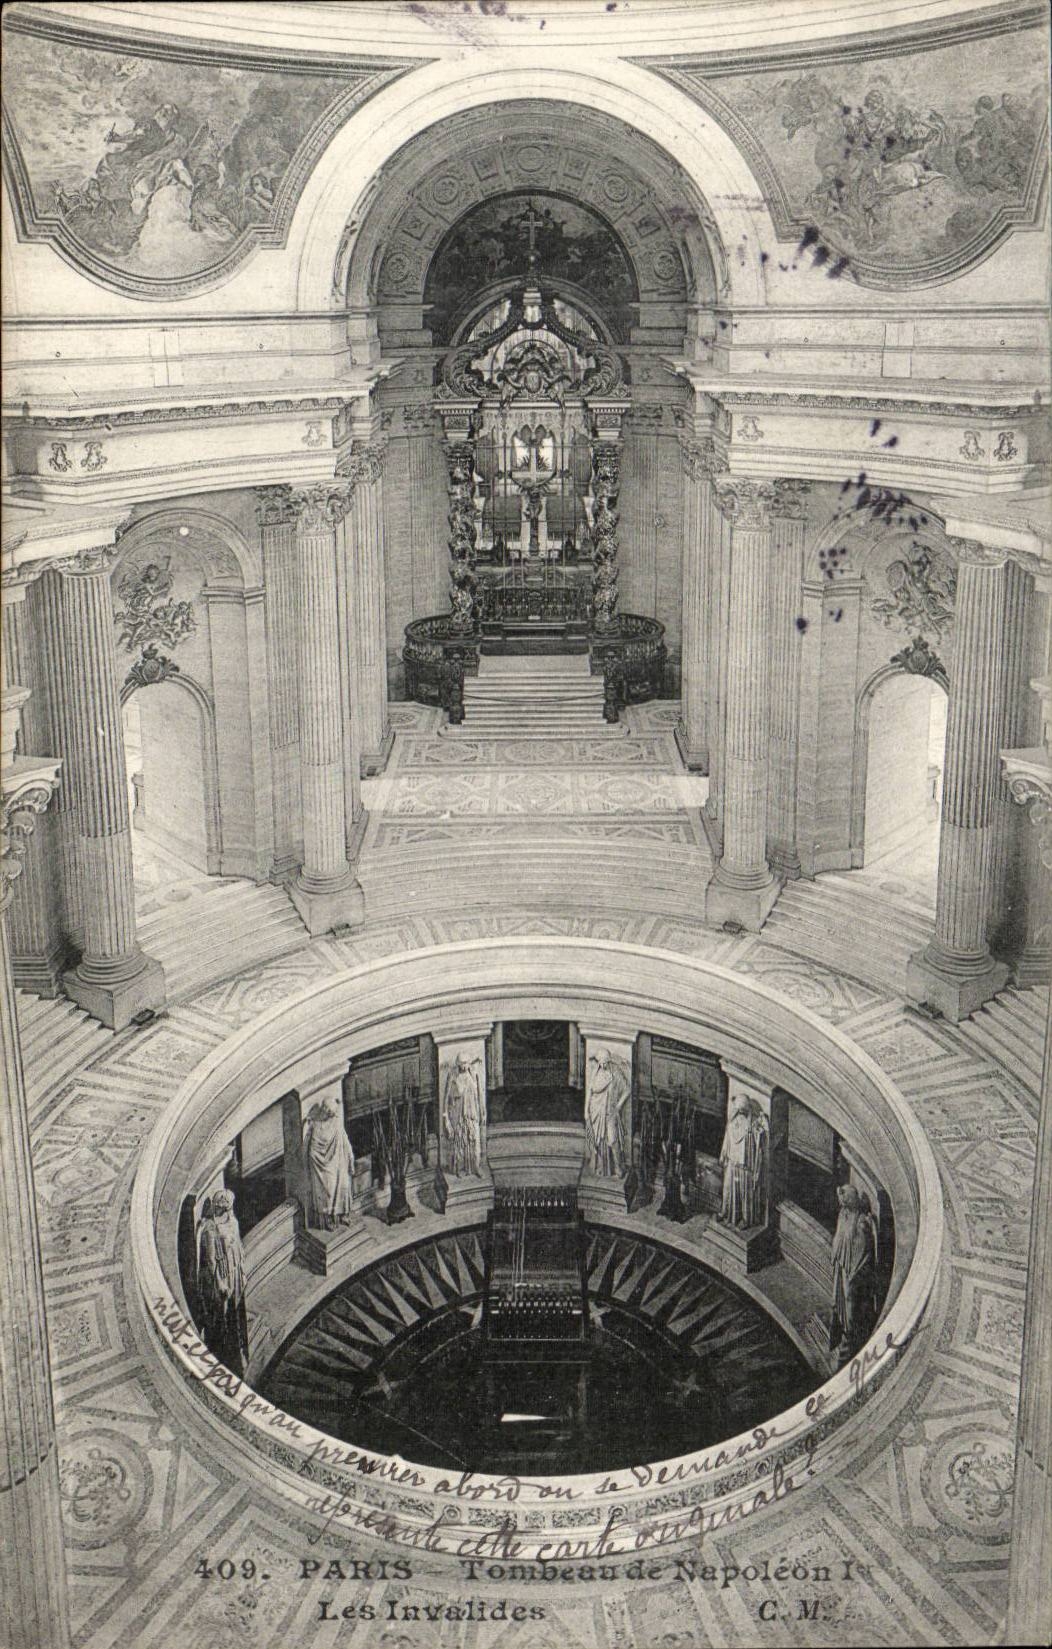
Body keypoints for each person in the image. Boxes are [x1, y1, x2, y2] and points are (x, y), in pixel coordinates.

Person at [197, 1189, 249, 1375]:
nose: (226, 1210)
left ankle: (236, 1348)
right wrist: (219, 1282)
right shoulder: (210, 1230)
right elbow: (211, 1260)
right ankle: (223, 1354)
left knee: (235, 1310)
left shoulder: (232, 1222)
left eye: (228, 1206)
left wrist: (242, 1269)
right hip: (223, 1274)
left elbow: (239, 1246)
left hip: (234, 1271)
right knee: (222, 1314)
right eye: (223, 1206)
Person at [831, 1184, 877, 1361]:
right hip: (842, 1265)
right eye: (843, 1202)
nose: (843, 1204)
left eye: (846, 1200)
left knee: (850, 1299)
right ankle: (845, 1333)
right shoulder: (844, 1216)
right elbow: (838, 1238)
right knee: (843, 1299)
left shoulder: (860, 1221)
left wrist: (867, 1227)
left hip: (853, 1268)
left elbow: (865, 1249)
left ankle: (849, 1335)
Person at [302, 1099, 355, 1229]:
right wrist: (315, 1162)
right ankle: (328, 1220)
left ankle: (343, 1214)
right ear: (325, 1111)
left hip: (339, 1162)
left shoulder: (336, 1124)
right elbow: (310, 1150)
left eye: (333, 1113)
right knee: (327, 1191)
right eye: (330, 1112)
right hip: (322, 1167)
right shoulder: (315, 1126)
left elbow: (346, 1142)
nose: (332, 1115)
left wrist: (351, 1159)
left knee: (344, 1186)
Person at [718, 1094, 767, 1229]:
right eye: (736, 1110)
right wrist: (723, 1155)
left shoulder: (752, 1127)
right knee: (727, 1189)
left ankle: (746, 1219)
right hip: (732, 1164)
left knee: (745, 1194)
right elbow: (727, 1140)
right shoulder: (732, 1123)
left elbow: (758, 1148)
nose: (737, 1112)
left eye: (740, 1110)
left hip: (745, 1167)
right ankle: (726, 1212)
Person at [585, 1048, 629, 1177]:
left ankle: (619, 1168)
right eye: (601, 1062)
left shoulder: (616, 1072)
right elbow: (589, 1091)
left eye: (605, 1062)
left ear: (609, 1061)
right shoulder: (595, 1073)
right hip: (596, 1110)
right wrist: (586, 1110)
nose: (603, 1065)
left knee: (612, 1140)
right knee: (598, 1140)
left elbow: (627, 1089)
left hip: (610, 1112)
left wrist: (619, 1106)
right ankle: (601, 1168)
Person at [443, 1053, 483, 1176]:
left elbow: (479, 1093)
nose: (464, 1066)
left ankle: (475, 1167)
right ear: (458, 1064)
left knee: (474, 1140)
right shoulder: (453, 1077)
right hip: (457, 1114)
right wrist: (446, 1118)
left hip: (471, 1113)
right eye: (462, 1064)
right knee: (459, 1141)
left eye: (466, 1063)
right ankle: (460, 1168)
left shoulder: (473, 1074)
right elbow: (445, 1098)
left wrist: (482, 1111)